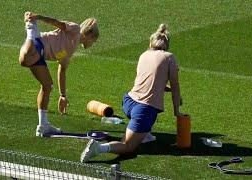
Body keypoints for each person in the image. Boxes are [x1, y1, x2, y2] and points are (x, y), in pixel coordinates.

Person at [80, 24, 182, 163]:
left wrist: (166, 89)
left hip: (128, 102)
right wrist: (177, 112)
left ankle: (143, 133)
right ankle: (98, 148)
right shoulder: (169, 57)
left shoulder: (144, 55)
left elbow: (150, 80)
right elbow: (176, 88)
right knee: (128, 146)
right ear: (166, 44)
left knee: (149, 111)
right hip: (143, 109)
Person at [19, 12, 99, 137]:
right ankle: (31, 28)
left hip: (39, 57)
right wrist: (39, 17)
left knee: (48, 86)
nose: (93, 44)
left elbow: (62, 70)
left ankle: (43, 125)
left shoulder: (69, 51)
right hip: (37, 45)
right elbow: (59, 23)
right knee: (24, 59)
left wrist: (63, 95)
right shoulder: (75, 29)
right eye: (94, 41)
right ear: (90, 35)